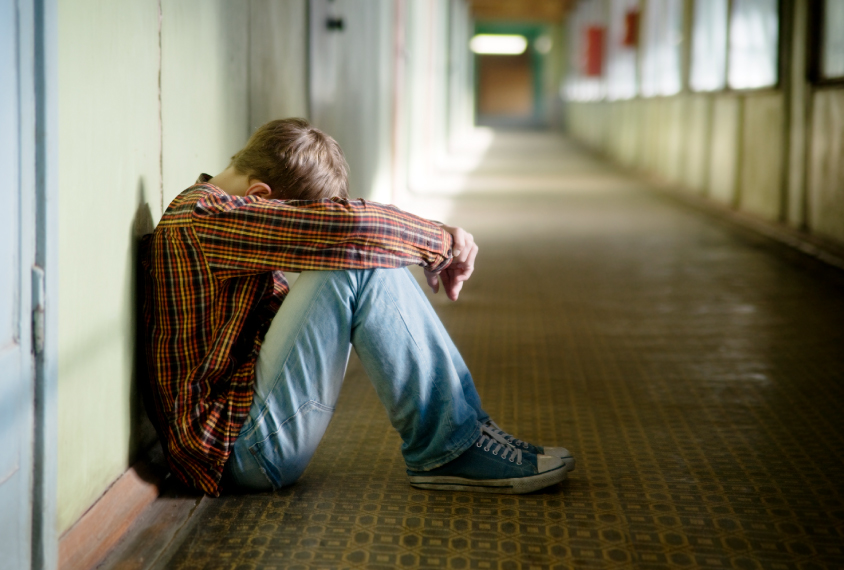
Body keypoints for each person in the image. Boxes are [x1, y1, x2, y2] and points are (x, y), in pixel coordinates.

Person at [140, 118, 574, 497]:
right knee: (354, 261)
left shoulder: (214, 215)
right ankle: (451, 447)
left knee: (361, 255)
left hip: (243, 430)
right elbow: (354, 226)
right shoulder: (208, 219)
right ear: (260, 196)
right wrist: (441, 241)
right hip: (235, 451)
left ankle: (467, 431)